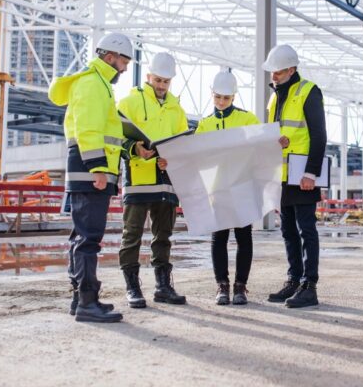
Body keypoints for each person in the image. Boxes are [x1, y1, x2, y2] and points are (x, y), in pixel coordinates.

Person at [48, 32, 132, 323]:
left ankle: (81, 298)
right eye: (124, 61)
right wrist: (98, 168)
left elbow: (105, 131)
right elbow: (88, 129)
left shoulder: (98, 85)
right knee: (88, 238)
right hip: (90, 170)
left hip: (92, 170)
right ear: (111, 57)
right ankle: (86, 302)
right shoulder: (92, 84)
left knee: (82, 236)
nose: (125, 67)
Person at [117, 52, 188, 308]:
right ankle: (133, 287)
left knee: (163, 236)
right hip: (138, 178)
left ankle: (163, 286)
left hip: (166, 180)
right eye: (158, 79)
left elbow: (182, 144)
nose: (161, 85)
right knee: (132, 234)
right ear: (148, 76)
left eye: (166, 81)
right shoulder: (130, 102)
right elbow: (115, 136)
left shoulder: (176, 110)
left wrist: (173, 158)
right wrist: (135, 148)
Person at [263, 45, 327, 308]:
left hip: (302, 175)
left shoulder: (308, 92)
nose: (273, 76)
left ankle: (309, 286)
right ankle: (294, 279)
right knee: (288, 231)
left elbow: (319, 134)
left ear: (291, 69)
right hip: (283, 176)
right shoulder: (274, 98)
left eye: (277, 71)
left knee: (306, 230)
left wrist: (311, 172)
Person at [195, 70, 260, 305]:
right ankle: (222, 286)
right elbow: (197, 158)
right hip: (218, 190)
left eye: (226, 98)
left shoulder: (248, 119)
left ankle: (240, 287)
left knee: (244, 238)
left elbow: (259, 149)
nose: (221, 102)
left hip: (243, 187)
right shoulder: (205, 125)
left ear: (234, 97)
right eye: (218, 97)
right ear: (212, 94)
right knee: (219, 237)